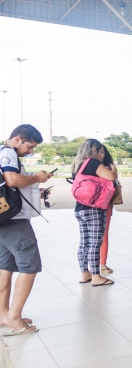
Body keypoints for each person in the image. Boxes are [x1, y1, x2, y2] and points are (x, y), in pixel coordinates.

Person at [0, 124, 52, 336]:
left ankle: (3, 313)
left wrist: (33, 186)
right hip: (12, 219)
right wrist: (36, 178)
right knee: (30, 265)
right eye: (29, 146)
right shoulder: (8, 153)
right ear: (18, 139)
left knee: (6, 265)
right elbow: (11, 180)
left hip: (3, 219)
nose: (30, 151)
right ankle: (14, 317)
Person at [72, 139, 118, 287]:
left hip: (80, 208)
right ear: (95, 150)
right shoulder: (93, 162)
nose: (103, 154)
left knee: (84, 242)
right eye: (102, 151)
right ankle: (96, 276)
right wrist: (113, 169)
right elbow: (111, 177)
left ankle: (85, 273)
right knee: (94, 243)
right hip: (94, 208)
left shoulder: (78, 164)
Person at [99, 145, 116, 274]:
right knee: (104, 235)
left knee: (92, 236)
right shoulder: (109, 167)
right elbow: (113, 178)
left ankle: (99, 264)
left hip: (95, 204)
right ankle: (102, 264)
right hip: (105, 204)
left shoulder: (84, 165)